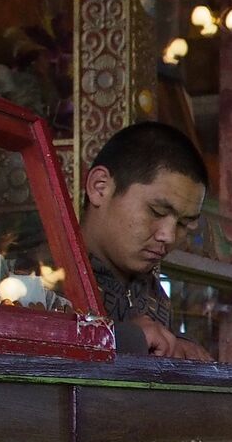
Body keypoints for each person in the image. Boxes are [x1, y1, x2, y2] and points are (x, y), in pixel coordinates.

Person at [80, 122, 212, 360]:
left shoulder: (152, 295)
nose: (169, 236)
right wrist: (123, 338)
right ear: (100, 188)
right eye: (157, 212)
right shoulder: (43, 277)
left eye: (184, 224)